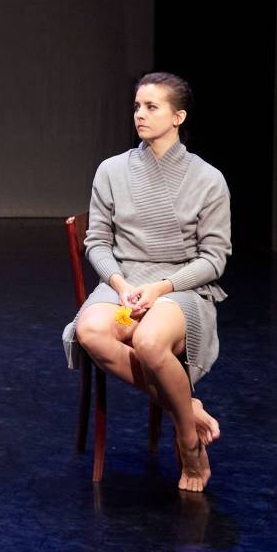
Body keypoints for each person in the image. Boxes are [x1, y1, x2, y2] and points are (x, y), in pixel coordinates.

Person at [65, 73, 229, 492]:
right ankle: (186, 409)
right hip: (126, 284)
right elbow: (97, 242)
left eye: (152, 107)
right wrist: (120, 285)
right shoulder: (113, 170)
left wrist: (162, 288)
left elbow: (214, 258)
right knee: (90, 330)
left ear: (178, 116)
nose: (140, 114)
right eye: (137, 106)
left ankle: (190, 446)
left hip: (181, 289)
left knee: (150, 341)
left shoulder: (208, 179)